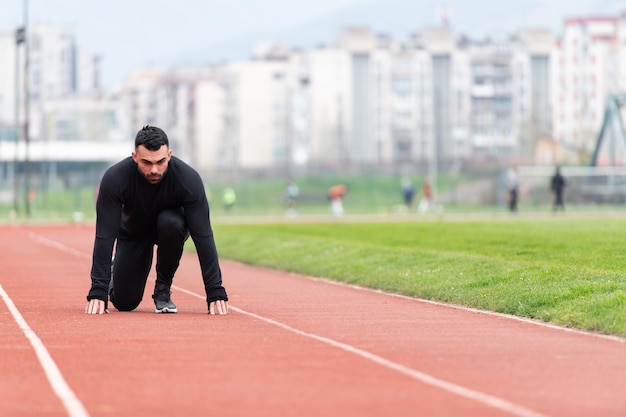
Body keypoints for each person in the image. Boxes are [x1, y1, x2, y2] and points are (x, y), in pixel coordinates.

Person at [85, 125, 228, 315]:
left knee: (172, 222)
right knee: (125, 302)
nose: (154, 169)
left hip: (171, 228)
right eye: (146, 162)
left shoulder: (188, 180)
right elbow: (104, 235)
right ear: (134, 157)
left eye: (160, 161)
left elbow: (203, 235)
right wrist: (99, 289)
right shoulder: (115, 179)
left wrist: (214, 290)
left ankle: (162, 290)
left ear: (169, 155)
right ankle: (115, 268)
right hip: (134, 233)